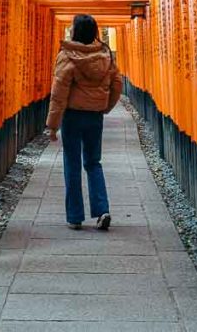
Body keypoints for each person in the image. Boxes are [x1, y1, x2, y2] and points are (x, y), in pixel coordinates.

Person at [44, 14, 123, 230]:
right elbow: (117, 84)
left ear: (74, 32)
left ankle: (75, 216)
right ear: (95, 32)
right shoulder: (105, 56)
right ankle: (102, 209)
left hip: (72, 116)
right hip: (94, 116)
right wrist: (105, 107)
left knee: (72, 163)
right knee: (93, 162)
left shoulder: (67, 56)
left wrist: (52, 125)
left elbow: (58, 93)